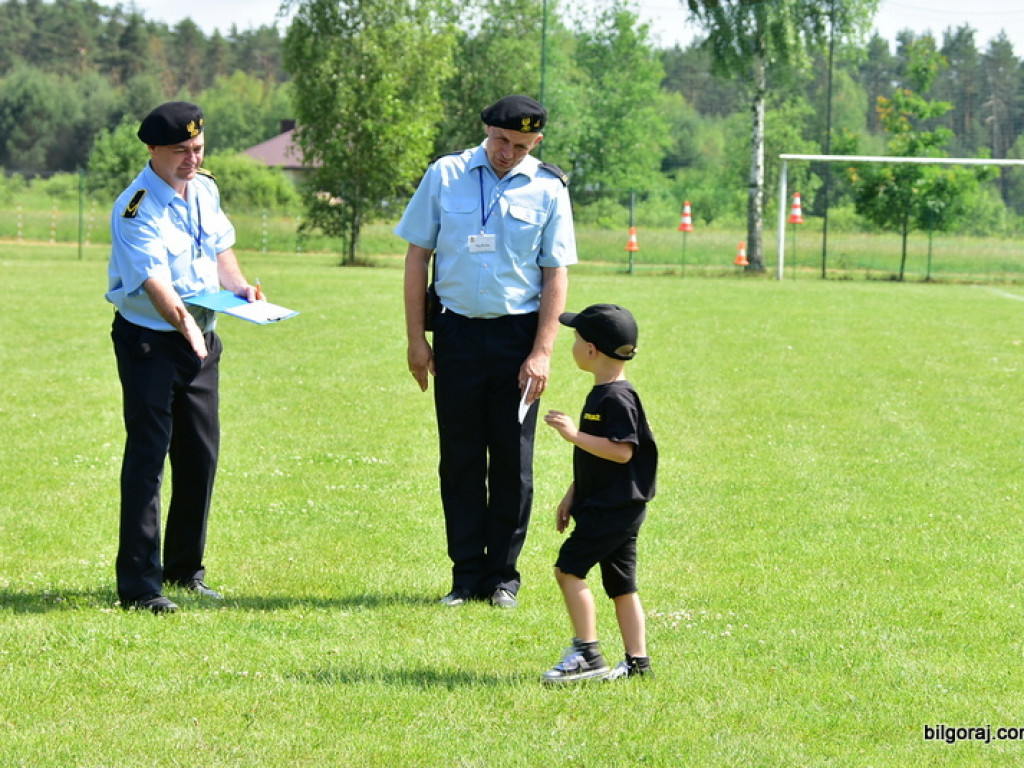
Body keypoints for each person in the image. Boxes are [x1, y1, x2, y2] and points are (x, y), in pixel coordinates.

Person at [396, 94, 577, 609]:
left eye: (521, 145)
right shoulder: (446, 175)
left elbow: (555, 273)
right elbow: (416, 257)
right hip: (455, 335)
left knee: (513, 463)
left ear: (536, 142)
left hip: (517, 340)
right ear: (486, 131)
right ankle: (465, 575)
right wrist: (416, 338)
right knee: (459, 460)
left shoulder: (548, 188)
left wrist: (542, 351)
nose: (507, 153)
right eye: (501, 141)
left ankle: (503, 576)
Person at [106, 101, 259, 613]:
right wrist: (187, 325)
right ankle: (140, 587)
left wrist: (240, 289)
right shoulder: (136, 206)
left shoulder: (205, 188)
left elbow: (219, 249)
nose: (191, 159)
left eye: (198, 149)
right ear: (152, 150)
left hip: (201, 337)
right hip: (152, 340)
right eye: (180, 152)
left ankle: (184, 570)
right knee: (149, 459)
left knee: (199, 456)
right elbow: (155, 282)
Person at [540, 304, 658, 683]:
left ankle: (587, 654)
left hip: (613, 509)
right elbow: (599, 456)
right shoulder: (604, 392)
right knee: (622, 586)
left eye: (575, 339)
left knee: (568, 570)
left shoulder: (617, 398)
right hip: (612, 505)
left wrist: (572, 434)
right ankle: (638, 664)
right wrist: (572, 494)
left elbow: (622, 451)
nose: (571, 345)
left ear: (591, 350)